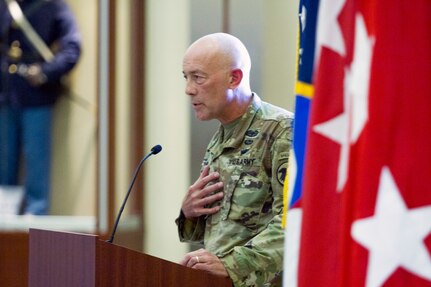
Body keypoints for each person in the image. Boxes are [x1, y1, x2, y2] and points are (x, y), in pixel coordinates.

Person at [176, 33, 293, 287]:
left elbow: (293, 220)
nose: (188, 89)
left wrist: (232, 265)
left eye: (198, 77)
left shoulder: (282, 130)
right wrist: (190, 212)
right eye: (186, 77)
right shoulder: (219, 139)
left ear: (234, 78)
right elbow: (223, 229)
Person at [0, 0, 81, 215]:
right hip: (5, 93)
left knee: (37, 164)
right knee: (3, 165)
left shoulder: (51, 5)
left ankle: (34, 220)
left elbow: (72, 47)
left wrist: (46, 71)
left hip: (36, 95)